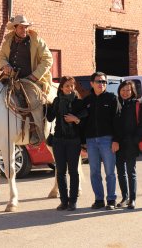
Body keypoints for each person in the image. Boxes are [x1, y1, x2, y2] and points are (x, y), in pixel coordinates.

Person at [0, 14, 53, 145]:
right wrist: (5, 65)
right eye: (21, 27)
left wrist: (35, 76)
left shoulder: (36, 40)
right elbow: (1, 57)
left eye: (26, 27)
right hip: (11, 78)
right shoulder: (8, 41)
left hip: (31, 79)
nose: (24, 30)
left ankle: (36, 131)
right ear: (15, 28)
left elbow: (48, 59)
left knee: (33, 100)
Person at [46, 76, 87, 211]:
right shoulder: (57, 101)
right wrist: (46, 104)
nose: (70, 88)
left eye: (72, 85)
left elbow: (85, 117)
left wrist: (75, 119)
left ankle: (73, 201)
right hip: (58, 140)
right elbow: (50, 117)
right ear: (62, 88)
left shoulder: (78, 102)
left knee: (73, 172)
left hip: (73, 140)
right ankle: (64, 201)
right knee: (61, 172)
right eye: (67, 86)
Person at [84, 72, 119, 210]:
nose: (101, 84)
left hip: (107, 140)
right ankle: (99, 199)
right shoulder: (87, 101)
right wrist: (83, 142)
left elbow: (117, 121)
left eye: (104, 82)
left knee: (110, 172)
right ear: (92, 83)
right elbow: (82, 122)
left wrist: (116, 140)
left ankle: (111, 200)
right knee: (94, 172)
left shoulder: (112, 98)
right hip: (91, 141)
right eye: (98, 81)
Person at [114, 81, 142, 209]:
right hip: (118, 144)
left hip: (131, 143)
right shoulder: (116, 104)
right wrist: (114, 140)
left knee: (131, 171)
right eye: (123, 90)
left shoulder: (137, 105)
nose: (125, 93)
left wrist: (136, 140)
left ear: (133, 92)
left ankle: (132, 199)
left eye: (128, 90)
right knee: (120, 172)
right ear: (119, 91)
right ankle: (124, 197)